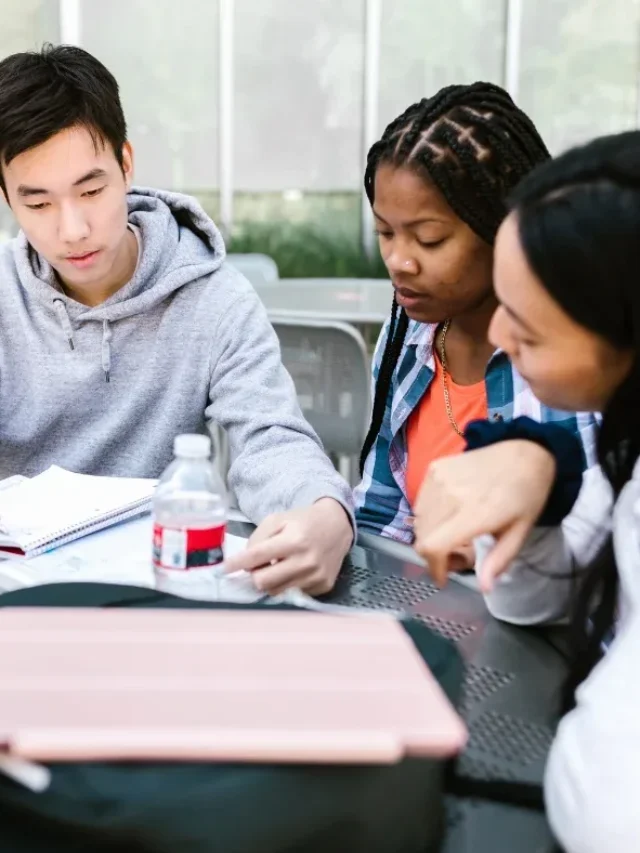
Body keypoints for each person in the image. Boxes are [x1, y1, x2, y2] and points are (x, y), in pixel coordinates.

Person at [0, 44, 353, 596]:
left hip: (154, 589)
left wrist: (325, 512)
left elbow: (271, 438)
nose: (72, 229)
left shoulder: (214, 299)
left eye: (91, 191)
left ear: (126, 163)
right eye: (39, 204)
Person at [413, 131, 640, 852]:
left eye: (532, 331)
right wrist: (540, 472)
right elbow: (535, 598)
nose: (503, 338)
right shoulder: (623, 442)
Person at [354, 82, 599, 551]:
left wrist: (499, 546)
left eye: (429, 240)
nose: (399, 261)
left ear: (505, 227)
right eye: (385, 233)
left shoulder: (573, 355)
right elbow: (380, 516)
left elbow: (600, 546)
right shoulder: (408, 334)